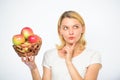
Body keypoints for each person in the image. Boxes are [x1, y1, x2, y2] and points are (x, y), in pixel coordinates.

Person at [21, 10, 102, 80]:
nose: (71, 32)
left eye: (75, 27)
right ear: (60, 31)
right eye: (66, 28)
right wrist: (33, 68)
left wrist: (68, 62)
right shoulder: (49, 54)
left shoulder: (93, 55)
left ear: (83, 29)